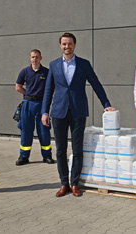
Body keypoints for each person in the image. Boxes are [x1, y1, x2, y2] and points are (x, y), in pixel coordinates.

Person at [42, 32, 116, 197]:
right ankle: (63, 183)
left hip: (78, 111)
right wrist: (44, 111)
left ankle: (74, 183)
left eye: (69, 44)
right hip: (59, 112)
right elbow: (48, 90)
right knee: (60, 150)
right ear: (60, 46)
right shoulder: (53, 65)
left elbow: (96, 84)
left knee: (77, 149)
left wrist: (106, 104)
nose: (67, 46)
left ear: (74, 45)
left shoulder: (84, 64)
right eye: (64, 44)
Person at [15, 49, 54, 166]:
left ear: (41, 58)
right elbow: (18, 87)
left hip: (42, 104)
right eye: (33, 57)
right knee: (26, 130)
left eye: (37, 57)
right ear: (30, 58)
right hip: (28, 104)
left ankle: (47, 155)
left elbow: (54, 88)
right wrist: (27, 94)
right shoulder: (25, 72)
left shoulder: (47, 72)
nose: (35, 59)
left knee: (44, 130)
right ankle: (24, 156)